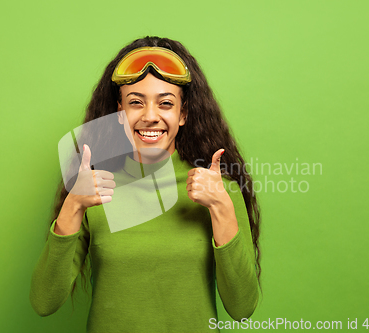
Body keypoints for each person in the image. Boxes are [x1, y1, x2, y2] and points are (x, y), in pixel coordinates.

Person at [30, 36, 262, 333]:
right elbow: (43, 302)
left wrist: (221, 208)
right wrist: (73, 204)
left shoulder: (216, 189)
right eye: (136, 102)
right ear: (119, 113)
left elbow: (242, 308)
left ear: (184, 114)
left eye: (165, 103)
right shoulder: (92, 187)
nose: (150, 116)